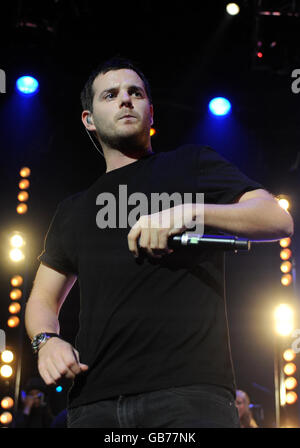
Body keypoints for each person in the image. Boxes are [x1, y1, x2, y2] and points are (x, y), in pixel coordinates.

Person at [25, 57, 294, 428]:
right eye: (111, 94)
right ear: (89, 119)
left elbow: (276, 219)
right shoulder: (74, 209)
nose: (125, 100)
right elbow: (42, 298)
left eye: (135, 93)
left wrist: (187, 211)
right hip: (94, 400)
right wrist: (46, 341)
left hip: (189, 394)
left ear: (151, 112)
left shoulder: (192, 164)